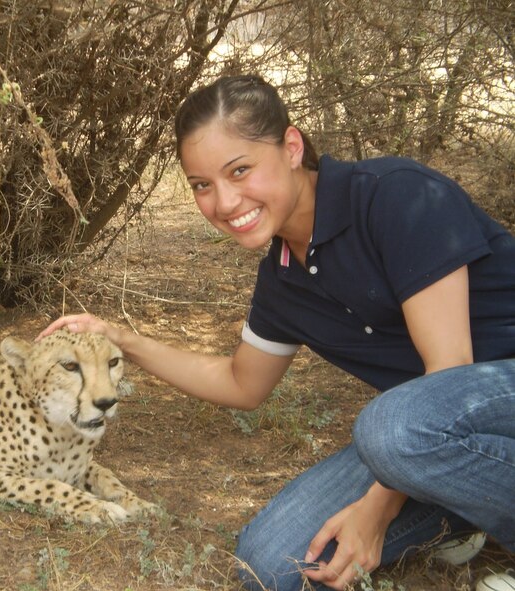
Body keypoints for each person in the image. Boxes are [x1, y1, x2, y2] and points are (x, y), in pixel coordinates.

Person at [38, 75, 515, 591]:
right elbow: (241, 383)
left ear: (291, 147)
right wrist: (120, 340)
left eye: (239, 170)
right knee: (272, 561)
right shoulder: (283, 277)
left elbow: (449, 373)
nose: (222, 202)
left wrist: (375, 511)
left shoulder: (395, 197)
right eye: (202, 185)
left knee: (393, 428)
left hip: (467, 403)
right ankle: (471, 507)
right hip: (425, 439)